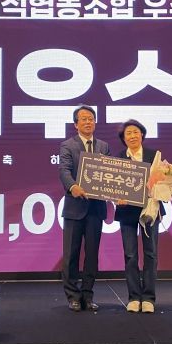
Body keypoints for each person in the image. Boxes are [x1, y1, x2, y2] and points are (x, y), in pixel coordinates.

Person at [59, 105, 110, 312]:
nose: (88, 122)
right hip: (74, 208)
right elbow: (64, 171)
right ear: (76, 124)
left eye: (91, 118)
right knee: (71, 255)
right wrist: (73, 186)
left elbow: (109, 174)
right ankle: (73, 296)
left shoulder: (103, 146)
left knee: (92, 255)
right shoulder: (67, 145)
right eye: (84, 119)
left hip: (95, 209)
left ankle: (88, 296)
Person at [114, 119, 165, 314]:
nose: (132, 136)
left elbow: (163, 182)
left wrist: (157, 189)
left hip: (149, 210)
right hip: (127, 211)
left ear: (142, 134)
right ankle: (134, 297)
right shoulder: (118, 159)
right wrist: (116, 197)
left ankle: (149, 298)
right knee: (130, 255)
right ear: (124, 138)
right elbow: (112, 186)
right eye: (128, 133)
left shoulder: (154, 156)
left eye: (135, 132)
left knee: (151, 253)